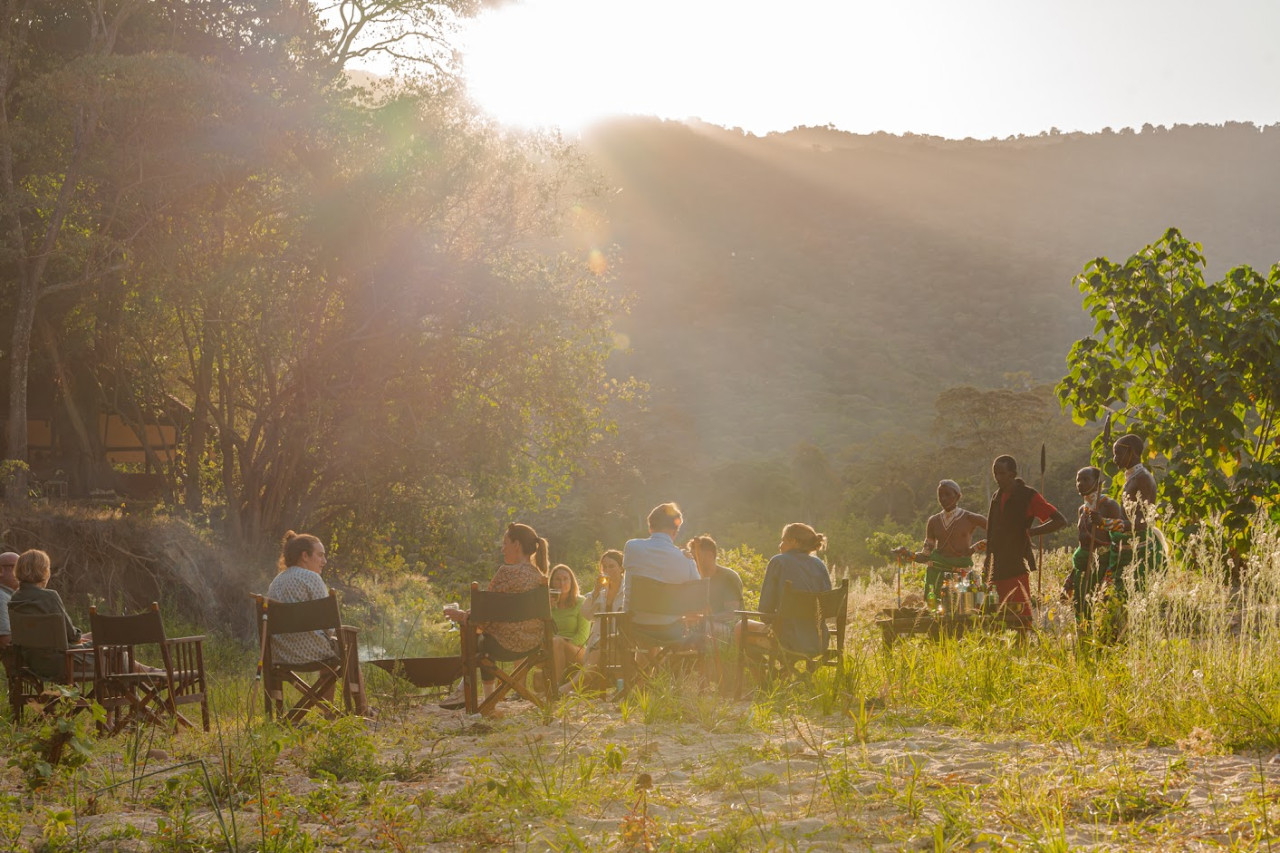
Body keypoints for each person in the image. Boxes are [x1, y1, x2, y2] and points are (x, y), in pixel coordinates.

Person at [441, 522, 549, 713]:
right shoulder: (539, 577)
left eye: (505, 543)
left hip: (503, 645)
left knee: (477, 637)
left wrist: (463, 616)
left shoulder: (506, 573)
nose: (502, 548)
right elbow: (494, 610)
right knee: (482, 632)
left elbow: (484, 613)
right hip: (534, 642)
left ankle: (483, 699)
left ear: (517, 545)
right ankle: (474, 695)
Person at [983, 455, 1068, 627]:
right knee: (993, 620)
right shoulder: (996, 496)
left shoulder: (1028, 496)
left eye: (1002, 473)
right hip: (994, 566)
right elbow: (991, 532)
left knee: (1020, 619)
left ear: (1012, 474)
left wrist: (1033, 532)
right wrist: (986, 563)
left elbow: (1060, 521)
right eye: (995, 473)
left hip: (1015, 565)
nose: (998, 477)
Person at [740, 523, 833, 656]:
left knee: (739, 628)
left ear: (794, 541)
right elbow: (827, 605)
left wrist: (774, 620)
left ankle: (758, 669)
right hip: (819, 642)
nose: (780, 545)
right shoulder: (819, 564)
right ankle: (786, 669)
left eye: (783, 540)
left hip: (787, 641)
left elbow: (765, 611)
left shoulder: (778, 562)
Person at [892, 480, 987, 606]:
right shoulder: (934, 521)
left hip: (962, 576)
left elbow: (995, 532)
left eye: (947, 494)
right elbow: (926, 555)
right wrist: (907, 553)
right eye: (940, 495)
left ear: (958, 496)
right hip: (936, 576)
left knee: (965, 610)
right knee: (934, 612)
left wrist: (975, 548)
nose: (943, 498)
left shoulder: (970, 518)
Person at [7, 549, 92, 681]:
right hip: (62, 663)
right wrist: (79, 636)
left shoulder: (15, 598)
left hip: (31, 662)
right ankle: (122, 687)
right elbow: (72, 636)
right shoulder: (50, 597)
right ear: (44, 571)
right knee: (108, 645)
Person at [622, 503, 699, 647]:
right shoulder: (686, 560)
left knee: (645, 631)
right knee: (663, 621)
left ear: (650, 528)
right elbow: (697, 592)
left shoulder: (632, 547)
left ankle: (646, 662)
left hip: (636, 626)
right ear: (675, 531)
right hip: (671, 630)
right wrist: (688, 559)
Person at [1063, 466, 1125, 621]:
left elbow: (1120, 538)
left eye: (1085, 479)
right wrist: (1071, 577)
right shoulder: (1082, 510)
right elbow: (1082, 545)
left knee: (1098, 611)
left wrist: (1109, 577)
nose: (1080, 484)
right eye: (1078, 480)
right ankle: (1082, 637)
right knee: (1080, 610)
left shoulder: (1109, 505)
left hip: (1102, 568)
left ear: (1098, 482)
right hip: (1082, 568)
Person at [1109, 434, 1164, 598]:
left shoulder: (1143, 478)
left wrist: (1109, 524)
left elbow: (1144, 520)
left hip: (1139, 547)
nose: (1114, 459)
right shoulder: (1132, 477)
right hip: (1128, 542)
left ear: (1131, 452)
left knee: (1133, 594)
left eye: (1118, 454)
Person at [688, 535, 743, 643]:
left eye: (696, 557)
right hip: (703, 625)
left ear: (710, 555)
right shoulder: (695, 578)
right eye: (692, 558)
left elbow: (732, 614)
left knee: (702, 628)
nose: (694, 562)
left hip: (728, 628)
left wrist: (705, 618)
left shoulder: (728, 577)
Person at [548, 564, 589, 683]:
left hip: (577, 649)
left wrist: (562, 645)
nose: (562, 583)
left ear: (572, 582)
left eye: (565, 579)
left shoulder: (581, 602)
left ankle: (557, 687)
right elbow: (541, 631)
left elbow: (583, 636)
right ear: (552, 583)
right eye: (558, 579)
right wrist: (547, 609)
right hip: (552, 648)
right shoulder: (547, 605)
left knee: (557, 642)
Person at [0, 551, 20, 650]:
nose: (23, 573)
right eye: (17, 568)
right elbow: (5, 641)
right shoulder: (1, 597)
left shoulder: (10, 595)